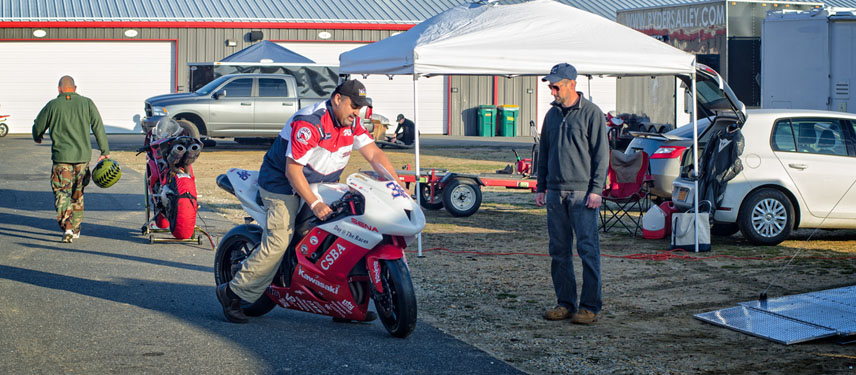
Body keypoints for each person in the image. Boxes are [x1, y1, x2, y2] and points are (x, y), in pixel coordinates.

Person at [216, 79, 404, 323]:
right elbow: (293, 171)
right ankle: (232, 292)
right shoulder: (310, 123)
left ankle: (342, 303)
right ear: (338, 99)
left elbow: (374, 154)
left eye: (360, 107)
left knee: (346, 232)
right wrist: (315, 203)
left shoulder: (352, 123)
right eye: (354, 105)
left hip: (321, 183)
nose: (357, 112)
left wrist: (396, 185)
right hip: (282, 184)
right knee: (279, 240)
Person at [535, 63, 609, 325]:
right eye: (551, 86)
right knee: (559, 250)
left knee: (588, 250)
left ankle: (590, 307)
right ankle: (565, 303)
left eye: (556, 86)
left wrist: (596, 190)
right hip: (555, 193)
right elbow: (543, 152)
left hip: (582, 194)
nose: (552, 91)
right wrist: (541, 186)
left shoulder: (592, 113)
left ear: (572, 84)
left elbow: (601, 155)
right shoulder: (551, 115)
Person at [32, 75, 110, 243]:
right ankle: (75, 228)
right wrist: (105, 151)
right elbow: (98, 126)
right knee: (77, 193)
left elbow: (38, 125)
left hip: (62, 159)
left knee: (62, 192)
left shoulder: (53, 105)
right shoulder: (87, 103)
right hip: (82, 159)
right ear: (75, 88)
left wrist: (37, 136)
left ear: (59, 89)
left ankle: (67, 227)